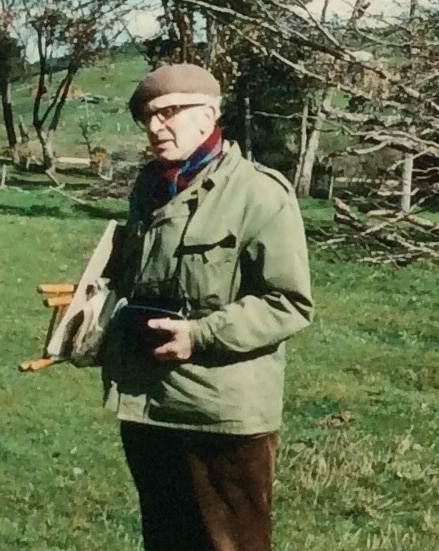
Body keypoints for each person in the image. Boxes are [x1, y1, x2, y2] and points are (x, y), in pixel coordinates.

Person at [101, 63, 313, 551]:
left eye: (169, 112)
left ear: (209, 115)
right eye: (148, 118)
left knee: (232, 545)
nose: (156, 128)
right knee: (167, 540)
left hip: (221, 416)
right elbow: (134, 279)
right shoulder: (150, 189)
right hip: (149, 406)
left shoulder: (260, 193)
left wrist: (198, 335)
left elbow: (288, 302)